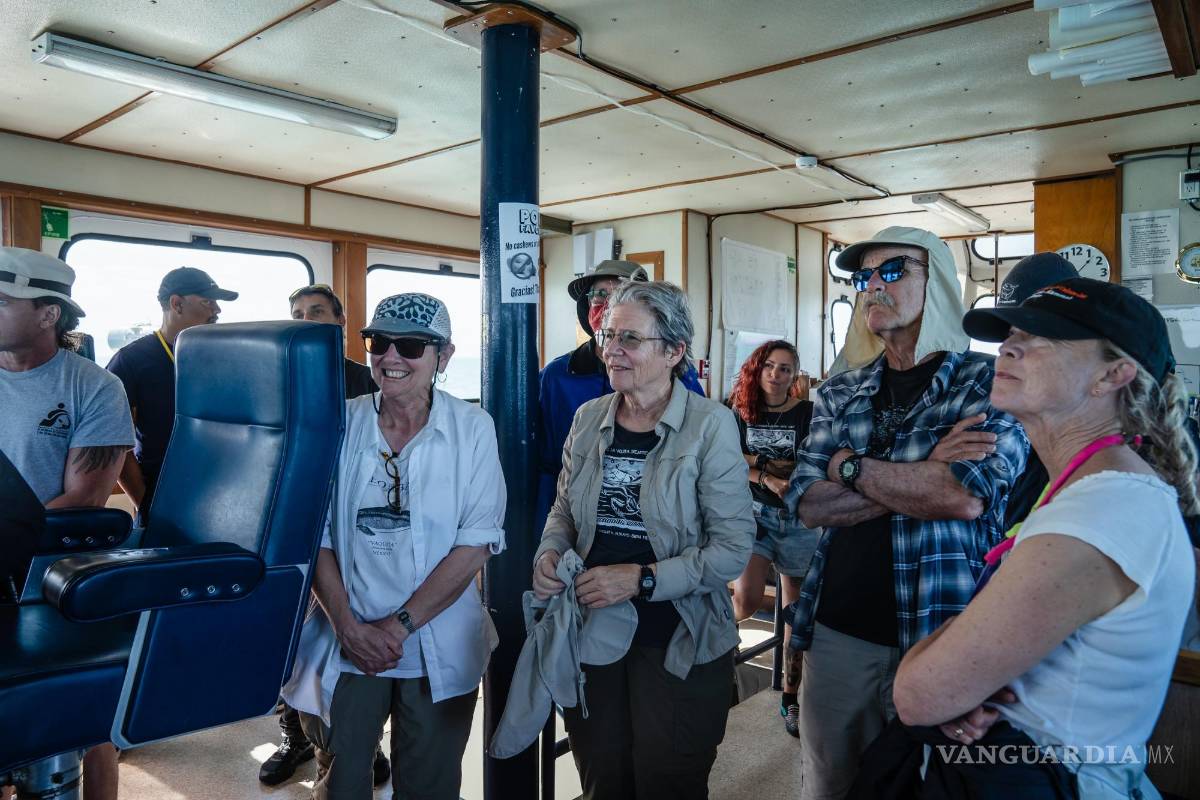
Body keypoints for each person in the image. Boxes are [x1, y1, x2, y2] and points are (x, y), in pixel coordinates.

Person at [889, 278, 1196, 798]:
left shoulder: (1104, 509)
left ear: (1113, 374)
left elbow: (919, 696)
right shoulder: (1089, 487)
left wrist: (945, 673)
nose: (1009, 346)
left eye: (1044, 338)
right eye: (1011, 334)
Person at [786, 227, 1028, 800]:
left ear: (938, 282)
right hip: (838, 630)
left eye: (892, 271)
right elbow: (807, 503)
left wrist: (849, 466)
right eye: (862, 276)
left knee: (931, 784)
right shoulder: (840, 391)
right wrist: (923, 467)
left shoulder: (988, 384)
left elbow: (966, 495)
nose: (873, 285)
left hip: (942, 623)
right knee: (831, 782)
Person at [532, 280, 755, 799]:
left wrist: (642, 579)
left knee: (667, 780)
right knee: (602, 777)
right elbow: (564, 511)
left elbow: (732, 548)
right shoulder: (589, 420)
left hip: (678, 634)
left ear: (674, 351)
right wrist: (549, 550)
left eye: (630, 338)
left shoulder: (710, 426)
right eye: (609, 335)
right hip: (593, 629)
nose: (612, 349)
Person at [282, 292, 506, 800]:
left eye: (409, 346)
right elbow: (313, 534)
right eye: (379, 342)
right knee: (340, 780)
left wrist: (397, 625)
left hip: (437, 642)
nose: (390, 358)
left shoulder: (473, 429)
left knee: (429, 784)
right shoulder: (338, 422)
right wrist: (347, 625)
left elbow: (475, 543)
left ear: (443, 357)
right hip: (349, 637)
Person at [0, 247, 134, 800]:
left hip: (56, 571)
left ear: (48, 314)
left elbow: (84, 496)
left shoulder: (94, 388)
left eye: (3, 301)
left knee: (92, 725)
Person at [261, 283, 387, 788]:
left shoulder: (367, 382)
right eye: (297, 313)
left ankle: (363, 742)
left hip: (349, 525)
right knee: (289, 641)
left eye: (317, 312)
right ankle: (295, 737)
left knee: (347, 636)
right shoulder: (278, 377)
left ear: (339, 322)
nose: (306, 319)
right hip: (291, 521)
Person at [536, 260, 706, 536]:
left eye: (620, 292)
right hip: (578, 522)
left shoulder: (675, 372)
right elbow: (545, 462)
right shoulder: (557, 375)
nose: (609, 302)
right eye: (600, 294)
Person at [728, 340, 817, 738]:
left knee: (795, 618)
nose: (775, 375)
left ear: (794, 375)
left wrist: (758, 464)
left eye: (784, 368)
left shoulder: (808, 414)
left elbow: (814, 463)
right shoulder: (740, 414)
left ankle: (790, 698)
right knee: (745, 600)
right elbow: (732, 463)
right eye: (769, 366)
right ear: (757, 369)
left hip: (797, 520)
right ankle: (715, 644)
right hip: (754, 516)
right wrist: (767, 475)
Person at [106, 266, 237, 523]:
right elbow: (115, 446)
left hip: (221, 493)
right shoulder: (131, 361)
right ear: (177, 304)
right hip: (160, 495)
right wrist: (147, 506)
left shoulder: (224, 357)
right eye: (208, 302)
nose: (217, 311)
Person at [289, 283, 377, 399]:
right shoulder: (284, 379)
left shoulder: (370, 381)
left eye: (317, 312)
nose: (306, 320)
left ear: (341, 320)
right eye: (298, 316)